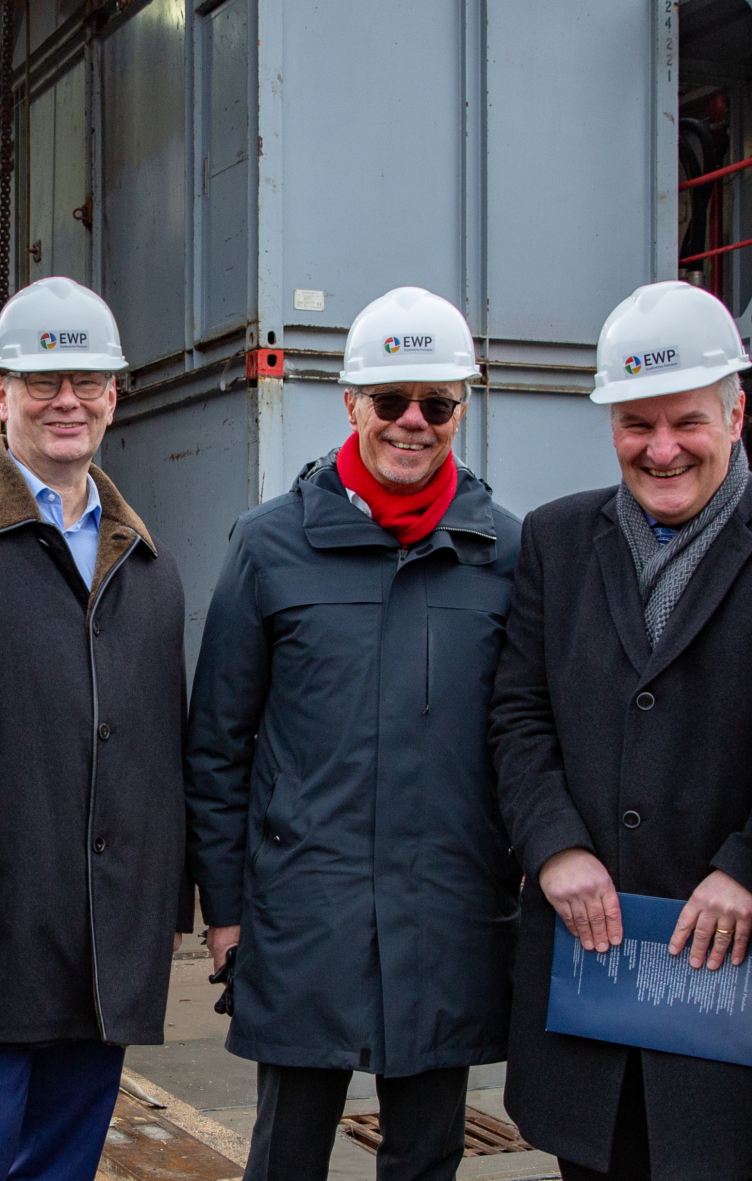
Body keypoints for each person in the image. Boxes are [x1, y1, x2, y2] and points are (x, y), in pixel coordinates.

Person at [488, 280, 752, 1180]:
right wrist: (555, 846)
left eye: (685, 421)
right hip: (594, 967)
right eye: (635, 425)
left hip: (737, 958)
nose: (661, 448)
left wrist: (750, 863)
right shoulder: (557, 538)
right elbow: (519, 712)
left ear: (736, 414)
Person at [187, 286, 522, 1181]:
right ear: (351, 405)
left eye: (438, 403)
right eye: (390, 400)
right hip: (305, 912)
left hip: (446, 911)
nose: (413, 421)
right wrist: (223, 910)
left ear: (461, 408)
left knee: (426, 1157)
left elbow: (526, 739)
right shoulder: (269, 547)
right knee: (288, 1153)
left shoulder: (506, 555)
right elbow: (218, 744)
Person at [0, 276, 190, 1181]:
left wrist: (164, 905)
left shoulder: (147, 563)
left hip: (103, 942)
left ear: (114, 394)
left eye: (89, 381)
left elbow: (161, 751)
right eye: (41, 381)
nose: (67, 401)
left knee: (63, 1166)